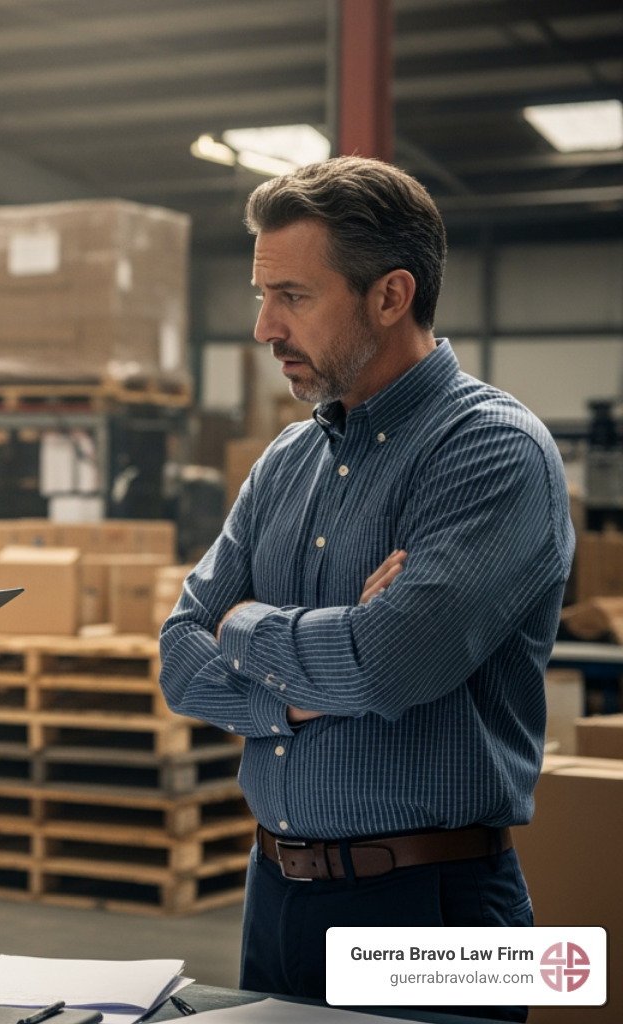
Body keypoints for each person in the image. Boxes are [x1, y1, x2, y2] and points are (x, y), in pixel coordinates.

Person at [159, 157, 572, 1022]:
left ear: (391, 296)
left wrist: (247, 625)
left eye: (295, 297)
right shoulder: (286, 459)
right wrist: (321, 660)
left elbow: (387, 666)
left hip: (436, 909)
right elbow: (178, 656)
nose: (266, 325)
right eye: (261, 293)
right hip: (275, 894)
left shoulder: (492, 452)